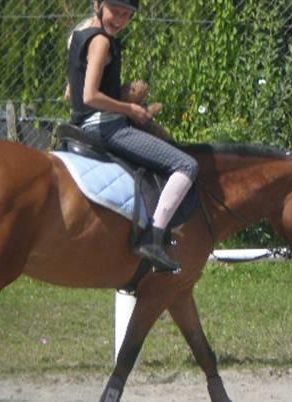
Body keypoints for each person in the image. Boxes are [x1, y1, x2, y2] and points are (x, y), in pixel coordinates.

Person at [67, 0, 198, 273]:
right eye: (116, 11)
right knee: (187, 165)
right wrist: (129, 108)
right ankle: (153, 238)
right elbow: (89, 95)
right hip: (107, 127)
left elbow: (71, 94)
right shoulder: (102, 42)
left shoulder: (79, 37)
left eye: (128, 15)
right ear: (98, 5)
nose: (121, 19)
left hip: (81, 124)